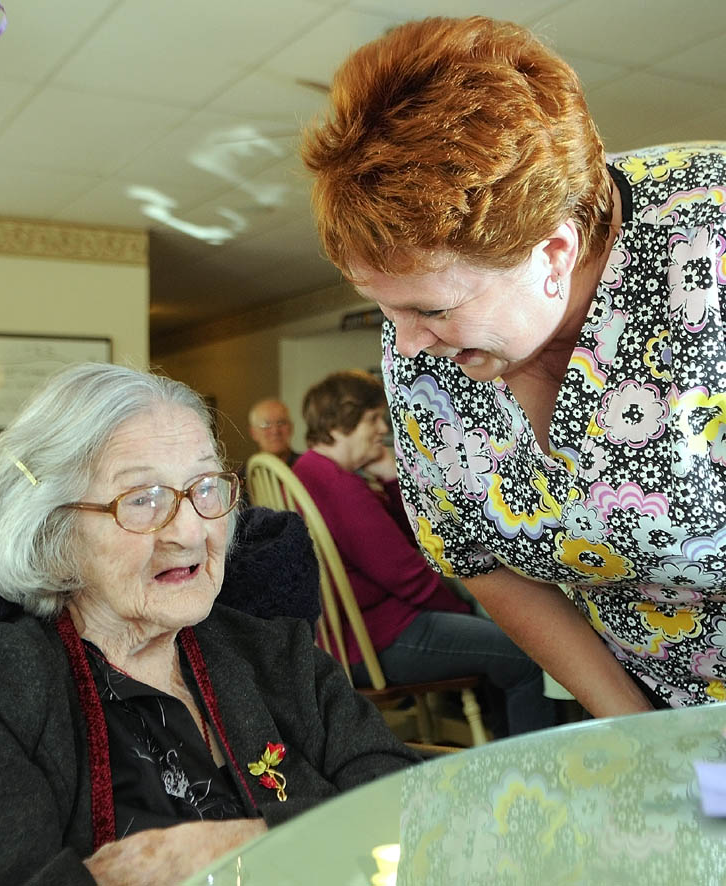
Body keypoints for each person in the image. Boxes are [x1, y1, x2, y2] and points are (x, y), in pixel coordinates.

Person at [301, 15, 726, 714]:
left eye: (433, 311)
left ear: (555, 254)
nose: (404, 345)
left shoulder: (707, 256)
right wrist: (636, 729)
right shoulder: (421, 341)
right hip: (634, 687)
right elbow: (480, 559)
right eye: (387, 310)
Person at [0, 363, 418, 886]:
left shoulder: (276, 653)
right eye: (142, 499)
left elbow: (413, 807)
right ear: (54, 530)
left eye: (205, 487)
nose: (190, 531)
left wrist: (247, 845)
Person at [294, 370, 557, 736]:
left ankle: (505, 754)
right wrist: (464, 612)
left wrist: (389, 476)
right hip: (383, 637)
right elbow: (406, 573)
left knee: (501, 640)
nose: (380, 428)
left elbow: (408, 540)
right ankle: (538, 777)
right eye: (372, 418)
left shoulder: (305, 472)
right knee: (530, 651)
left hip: (350, 638)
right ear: (342, 420)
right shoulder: (338, 485)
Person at [248, 398, 301, 467]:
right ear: (253, 433)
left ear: (291, 428)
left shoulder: (308, 467)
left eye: (281, 422)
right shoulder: (246, 474)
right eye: (266, 424)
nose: (275, 431)